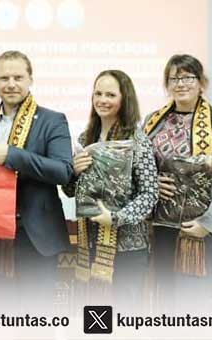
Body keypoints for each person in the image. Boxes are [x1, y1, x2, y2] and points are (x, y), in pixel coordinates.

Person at [0, 50, 73, 313]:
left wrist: (13, 156)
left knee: (37, 319)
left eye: (18, 77)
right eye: (4, 78)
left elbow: (63, 171)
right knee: (2, 318)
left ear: (30, 80)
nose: (11, 84)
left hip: (37, 235)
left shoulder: (52, 120)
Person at [143, 54, 212, 313]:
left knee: (193, 304)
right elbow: (139, 170)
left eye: (187, 77)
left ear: (201, 83)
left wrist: (208, 222)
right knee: (166, 301)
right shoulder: (152, 122)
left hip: (201, 230)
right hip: (162, 228)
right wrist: (152, 184)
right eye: (174, 79)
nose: (181, 84)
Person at [63, 70, 158, 308]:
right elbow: (70, 191)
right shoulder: (84, 138)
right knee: (95, 318)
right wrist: (73, 172)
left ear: (125, 99)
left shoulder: (137, 140)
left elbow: (150, 194)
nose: (102, 100)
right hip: (89, 243)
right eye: (98, 94)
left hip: (127, 247)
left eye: (110, 95)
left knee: (123, 317)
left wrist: (115, 218)